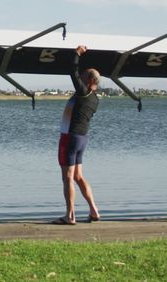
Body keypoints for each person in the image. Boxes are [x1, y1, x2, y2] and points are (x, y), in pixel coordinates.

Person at [53, 45, 101, 225]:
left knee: (67, 177)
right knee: (78, 176)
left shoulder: (83, 92)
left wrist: (76, 54)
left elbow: (72, 72)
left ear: (89, 81)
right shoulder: (94, 98)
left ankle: (70, 215)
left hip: (70, 138)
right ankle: (94, 211)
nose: (79, 78)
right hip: (82, 139)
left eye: (83, 76)